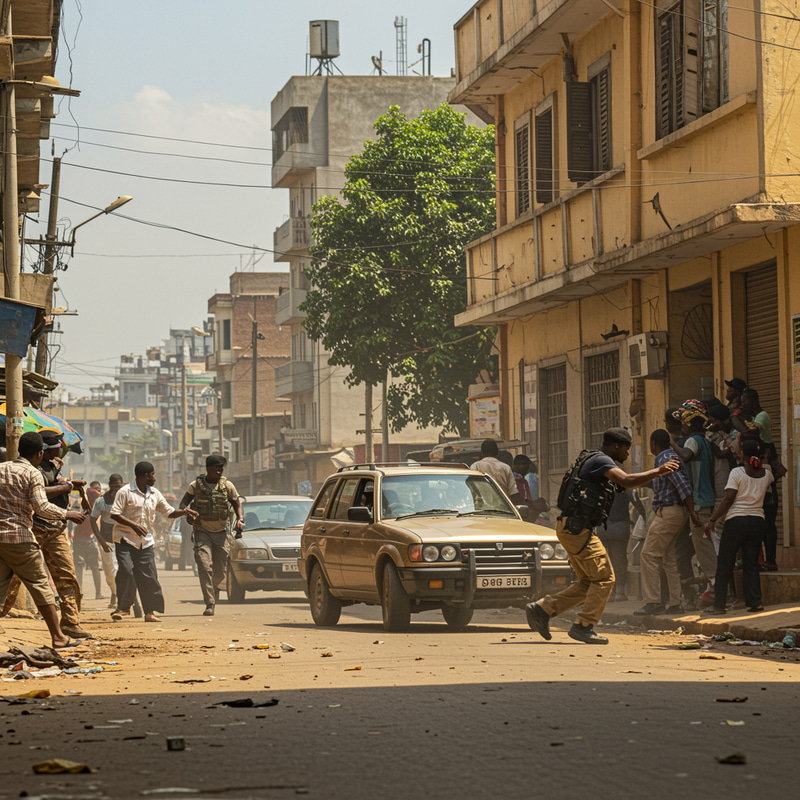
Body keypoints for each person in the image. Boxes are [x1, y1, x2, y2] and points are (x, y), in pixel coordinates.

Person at [526, 427, 680, 645]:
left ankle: (542, 609)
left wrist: (656, 480)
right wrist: (658, 471)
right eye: (626, 449)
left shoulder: (596, 462)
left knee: (589, 582)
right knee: (605, 578)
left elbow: (626, 484)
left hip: (573, 528)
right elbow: (626, 481)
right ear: (615, 446)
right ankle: (583, 626)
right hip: (578, 530)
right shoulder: (601, 461)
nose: (628, 454)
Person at [0, 432, 92, 638]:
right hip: (34, 528)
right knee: (22, 580)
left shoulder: (53, 465)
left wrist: (67, 484)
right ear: (42, 451)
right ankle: (57, 636)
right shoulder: (32, 470)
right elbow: (40, 501)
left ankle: (70, 621)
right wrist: (65, 494)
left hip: (55, 529)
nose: (61, 449)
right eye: (58, 446)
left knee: (66, 576)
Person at [109, 461, 198, 623]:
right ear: (145, 476)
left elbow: (169, 512)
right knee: (127, 571)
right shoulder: (125, 492)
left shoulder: (155, 493)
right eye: (153, 475)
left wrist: (184, 512)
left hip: (146, 541)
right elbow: (114, 514)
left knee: (149, 576)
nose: (154, 478)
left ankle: (149, 612)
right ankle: (123, 607)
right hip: (124, 539)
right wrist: (133, 525)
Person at [704, 439, 774, 614]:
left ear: (742, 453)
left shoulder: (737, 472)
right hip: (758, 521)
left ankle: (719, 605)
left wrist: (712, 519)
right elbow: (776, 473)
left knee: (725, 563)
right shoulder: (767, 473)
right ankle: (755, 602)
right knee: (751, 563)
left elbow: (728, 499)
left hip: (736, 521)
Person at [634, 430, 699, 616]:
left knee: (648, 555)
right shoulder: (667, 457)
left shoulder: (665, 458)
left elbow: (683, 486)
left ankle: (652, 601)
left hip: (669, 512)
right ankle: (674, 602)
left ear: (654, 444)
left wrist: (692, 511)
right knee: (668, 558)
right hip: (673, 512)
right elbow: (664, 485)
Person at [179, 454, 244, 616]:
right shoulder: (195, 485)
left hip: (221, 533)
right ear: (208, 468)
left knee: (220, 572)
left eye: (221, 468)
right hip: (202, 532)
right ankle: (210, 602)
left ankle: (214, 588)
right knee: (204, 564)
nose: (219, 470)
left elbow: (237, 503)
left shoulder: (227, 485)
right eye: (217, 468)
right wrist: (186, 512)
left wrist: (240, 519)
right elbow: (183, 503)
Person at [670, 401, 718, 602]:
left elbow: (686, 456)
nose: (681, 426)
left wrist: (671, 443)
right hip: (704, 499)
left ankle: (716, 587)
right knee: (703, 546)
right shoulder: (705, 440)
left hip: (699, 500)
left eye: (683, 423)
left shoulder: (693, 441)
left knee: (704, 548)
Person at [599, 488, 646, 603]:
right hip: (619, 527)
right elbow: (637, 502)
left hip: (601, 527)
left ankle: (609, 593)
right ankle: (620, 593)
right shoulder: (624, 485)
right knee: (619, 558)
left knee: (606, 560)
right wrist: (644, 517)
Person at [90, 474, 124, 609]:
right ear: (109, 485)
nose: (116, 489)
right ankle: (115, 593)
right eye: (114, 486)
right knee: (110, 572)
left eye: (119, 486)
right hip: (107, 541)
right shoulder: (101, 501)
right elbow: (93, 521)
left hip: (124, 540)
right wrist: (101, 541)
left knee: (125, 569)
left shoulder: (126, 499)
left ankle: (123, 597)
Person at [71, 484, 104, 600]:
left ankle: (84, 592)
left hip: (83, 540)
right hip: (84, 540)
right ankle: (92, 593)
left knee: (84, 567)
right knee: (90, 567)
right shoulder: (85, 508)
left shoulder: (84, 507)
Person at [512, 454, 548, 524]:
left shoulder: (524, 481)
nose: (526, 468)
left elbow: (528, 500)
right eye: (524, 465)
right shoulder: (512, 480)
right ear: (516, 465)